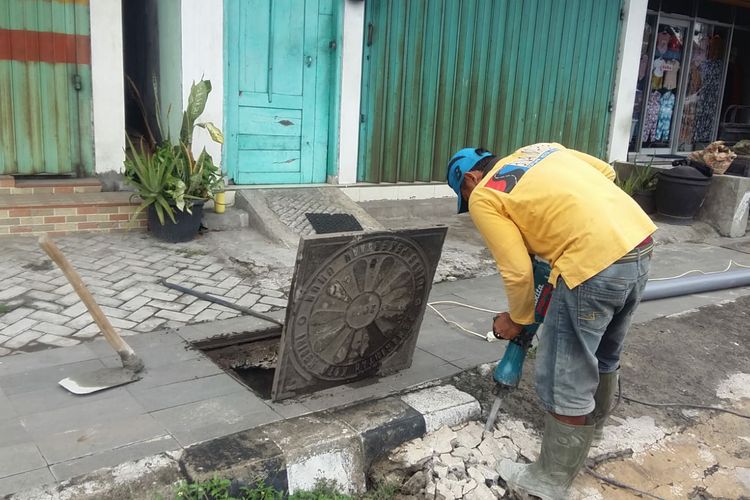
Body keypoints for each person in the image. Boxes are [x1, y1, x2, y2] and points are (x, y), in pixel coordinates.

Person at [446, 143, 656, 499]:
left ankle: (549, 480)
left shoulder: (485, 194)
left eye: (464, 194)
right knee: (605, 351)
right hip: (638, 242)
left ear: (471, 178)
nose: (470, 203)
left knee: (565, 374)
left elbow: (516, 272)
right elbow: (605, 172)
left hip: (592, 263)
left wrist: (518, 320)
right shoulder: (541, 149)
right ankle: (596, 430)